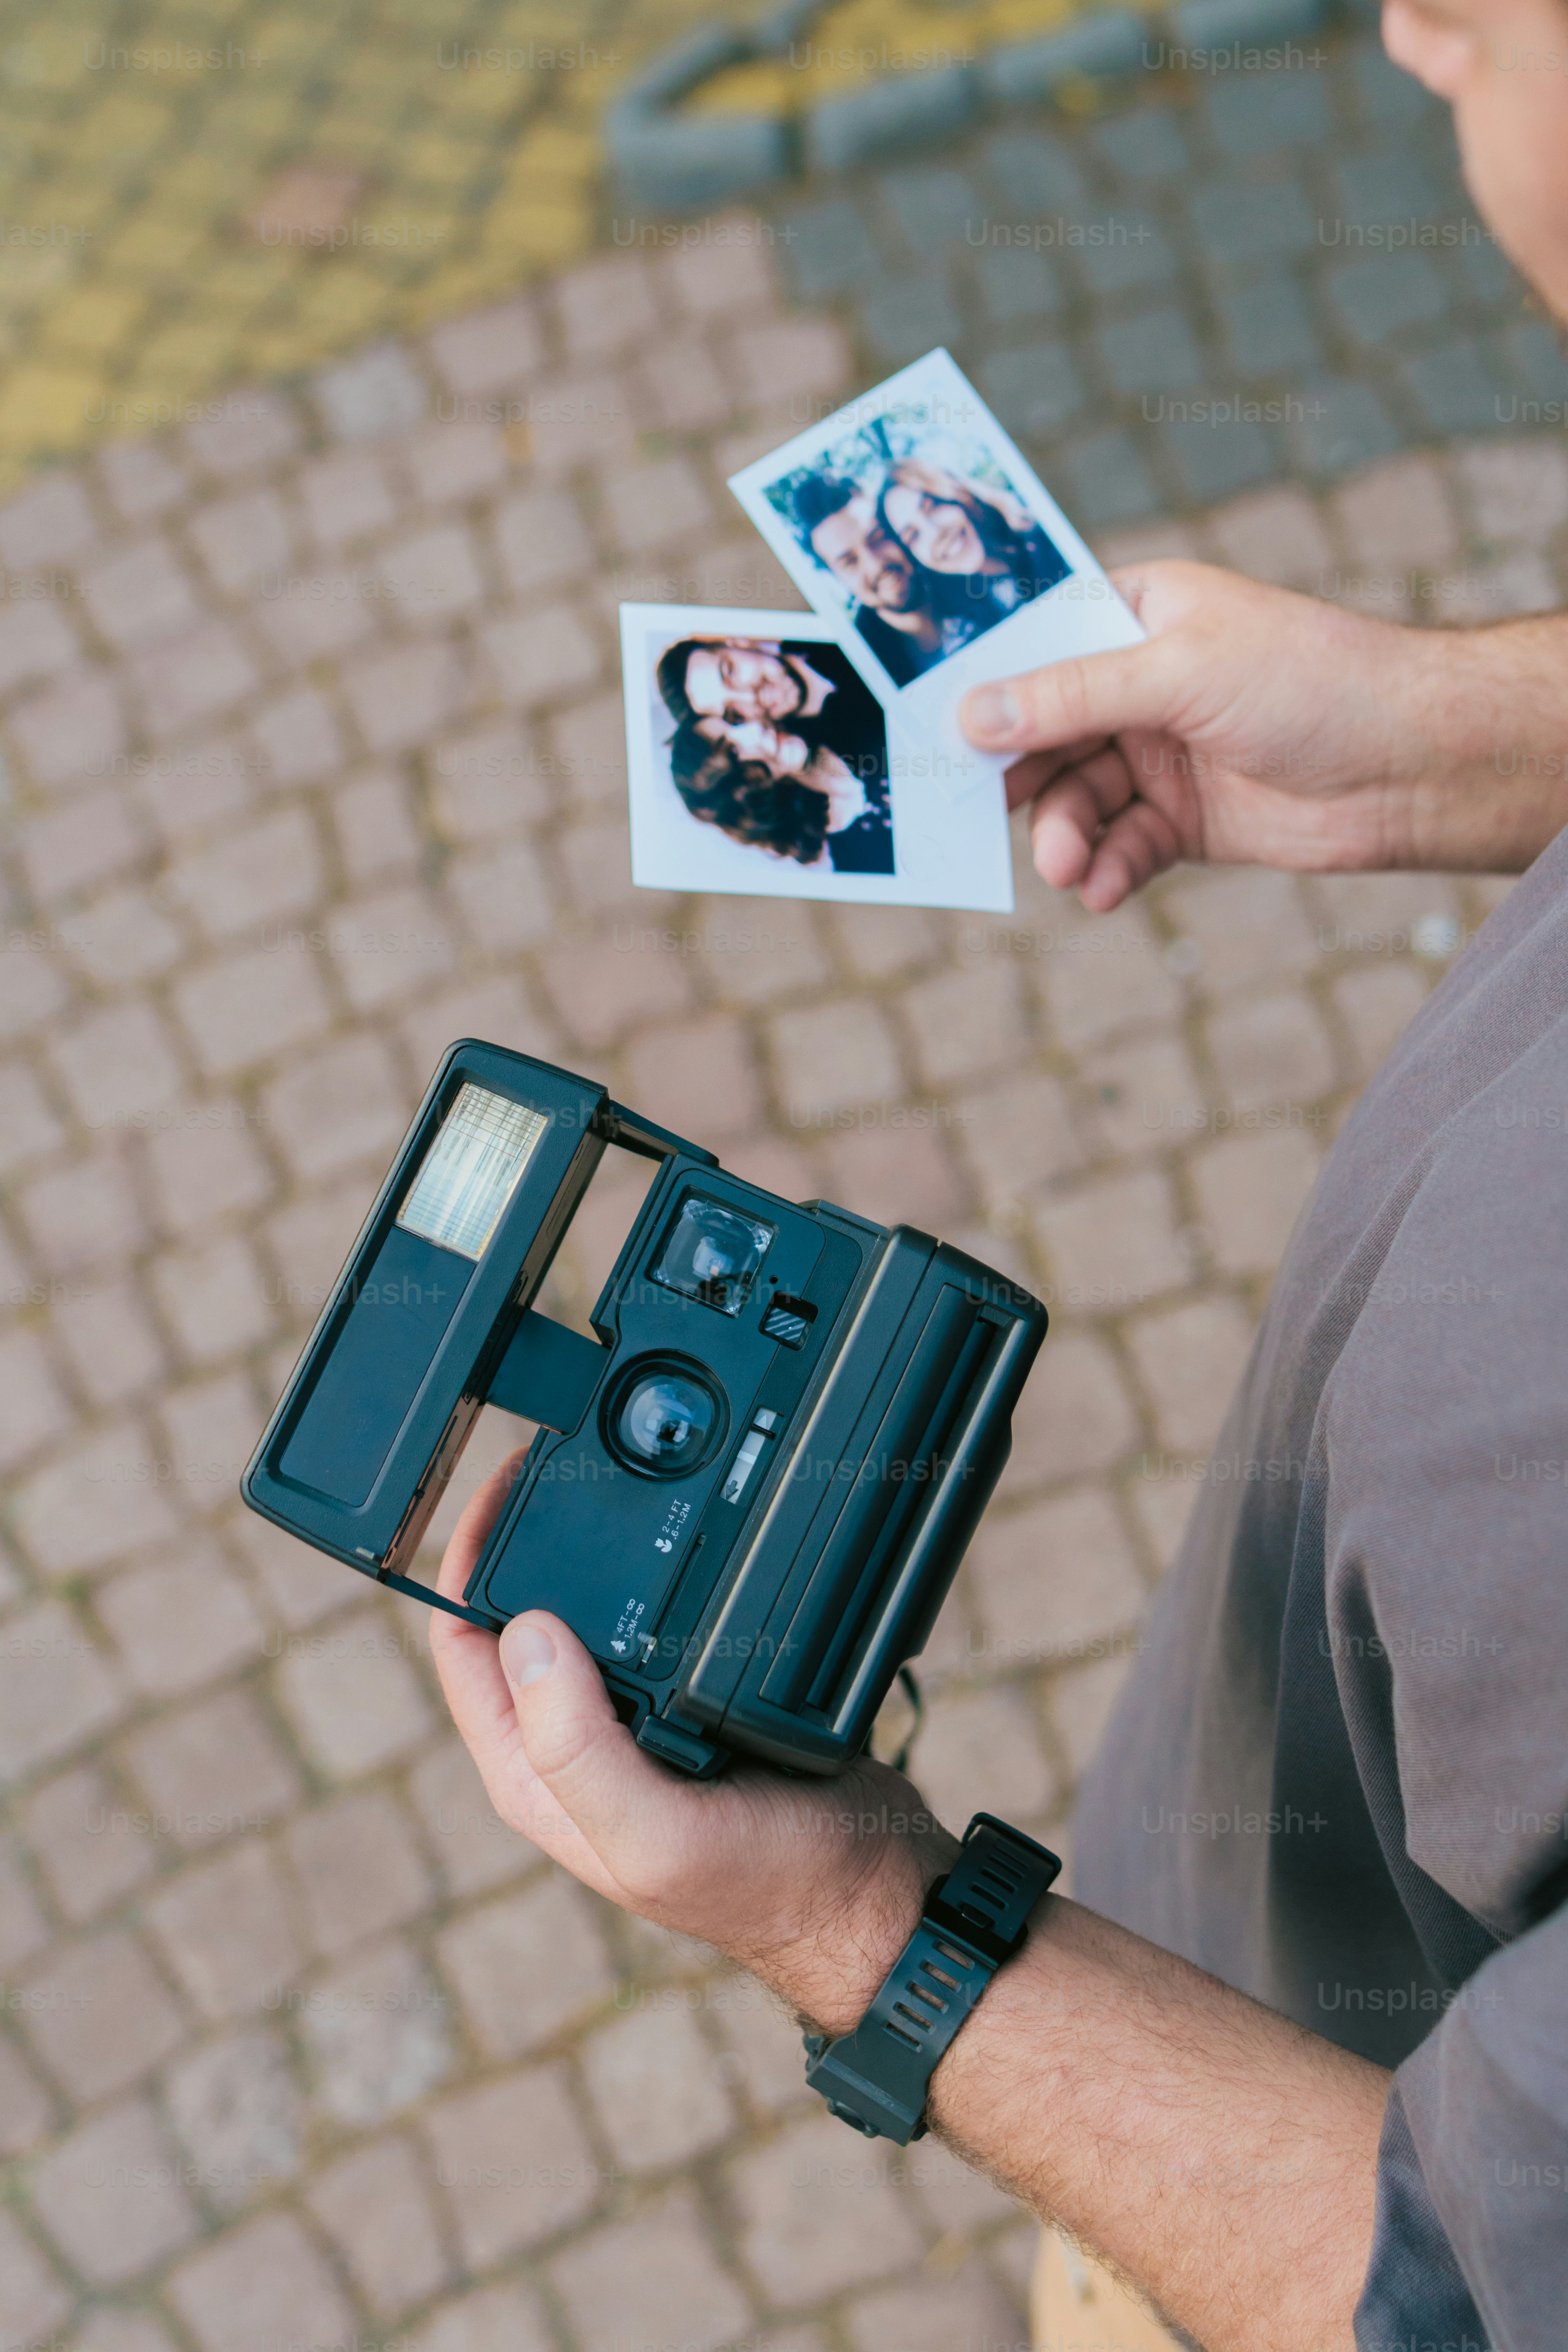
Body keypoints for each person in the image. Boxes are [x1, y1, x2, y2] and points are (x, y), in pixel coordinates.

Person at [429, 5, 1568, 2348]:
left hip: (1267, 2114)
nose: (1414, 19)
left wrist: (862, 1928)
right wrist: (1454, 747)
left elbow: (1454, 2293)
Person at [789, 471, 986, 684]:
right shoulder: (859, 669)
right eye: (850, 561)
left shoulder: (974, 578)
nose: (876, 565)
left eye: (878, 538)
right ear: (837, 579)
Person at [655, 633, 887, 792]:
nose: (749, 697)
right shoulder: (842, 762)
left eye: (730, 672)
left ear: (737, 642)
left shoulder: (826, 631)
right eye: (733, 714)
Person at [664, 716, 893, 875]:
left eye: (736, 720)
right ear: (739, 795)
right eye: (734, 751)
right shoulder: (856, 862)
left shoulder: (843, 712)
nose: (755, 728)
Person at [878, 457, 1069, 617]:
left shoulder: (1048, 534)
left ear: (956, 495)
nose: (936, 534)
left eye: (933, 506)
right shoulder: (963, 627)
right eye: (913, 536)